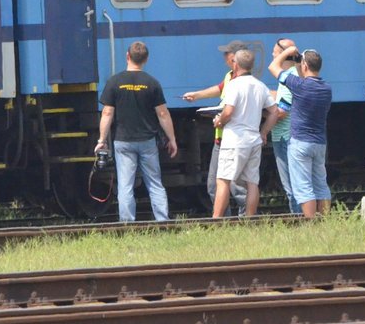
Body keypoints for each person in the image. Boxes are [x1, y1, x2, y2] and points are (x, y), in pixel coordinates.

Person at [95, 41, 178, 222]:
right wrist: (172, 139)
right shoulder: (152, 83)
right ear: (146, 59)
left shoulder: (114, 82)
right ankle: (163, 221)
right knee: (155, 184)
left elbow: (107, 112)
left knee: (125, 186)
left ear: (127, 56)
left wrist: (102, 139)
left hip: (123, 141)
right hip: (147, 141)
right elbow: (163, 113)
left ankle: (127, 224)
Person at [182, 39, 248, 216]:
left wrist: (221, 118)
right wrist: (197, 95)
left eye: (227, 54)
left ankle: (248, 221)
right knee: (213, 185)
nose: (224, 56)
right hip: (221, 139)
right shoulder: (229, 77)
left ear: (234, 58)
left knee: (237, 186)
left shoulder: (243, 81)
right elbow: (220, 89)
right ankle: (225, 221)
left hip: (235, 138)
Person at [211, 49, 280, 217]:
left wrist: (219, 121)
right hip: (253, 140)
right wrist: (263, 132)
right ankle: (250, 219)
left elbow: (228, 112)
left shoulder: (234, 85)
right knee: (252, 183)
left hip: (235, 140)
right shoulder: (260, 86)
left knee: (223, 181)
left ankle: (216, 221)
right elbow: (274, 112)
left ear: (235, 63)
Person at [268, 45, 332, 219]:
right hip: (319, 143)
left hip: (300, 142)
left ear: (304, 66)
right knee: (320, 185)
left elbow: (273, 67)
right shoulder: (326, 89)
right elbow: (305, 74)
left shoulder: (299, 85)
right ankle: (325, 221)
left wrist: (287, 53)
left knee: (303, 187)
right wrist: (299, 63)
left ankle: (310, 224)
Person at [268, 38, 298, 213]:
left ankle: (300, 219)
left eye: (275, 51)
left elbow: (282, 111)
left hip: (284, 137)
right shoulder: (295, 74)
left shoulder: (288, 77)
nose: (272, 54)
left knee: (292, 187)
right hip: (289, 135)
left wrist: (261, 113)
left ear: (282, 54)